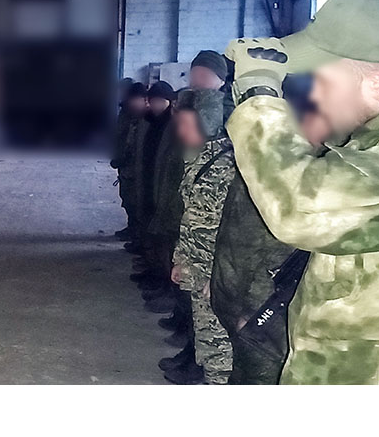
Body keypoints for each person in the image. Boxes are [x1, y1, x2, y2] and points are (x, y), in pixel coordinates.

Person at [224, 0, 379, 384]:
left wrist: (259, 98)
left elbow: (301, 209)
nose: (313, 94)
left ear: (378, 82)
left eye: (322, 81)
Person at [209, 105, 332, 384]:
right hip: (276, 309)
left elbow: (239, 253)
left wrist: (233, 311)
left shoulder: (268, 176)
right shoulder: (328, 172)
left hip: (264, 310)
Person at [163, 89, 236, 384]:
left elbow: (236, 233)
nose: (180, 131)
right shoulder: (198, 157)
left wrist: (220, 277)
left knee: (221, 354)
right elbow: (191, 217)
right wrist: (181, 259)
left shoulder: (228, 166)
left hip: (215, 276)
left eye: (187, 124)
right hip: (197, 269)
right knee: (206, 345)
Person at [133, 82, 184, 318]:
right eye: (151, 101)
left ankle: (169, 290)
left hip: (166, 196)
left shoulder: (174, 129)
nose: (154, 105)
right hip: (150, 187)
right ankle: (157, 278)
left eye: (159, 101)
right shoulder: (151, 123)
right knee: (153, 238)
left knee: (168, 247)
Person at [110, 81, 148, 241]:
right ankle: (132, 228)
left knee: (138, 201)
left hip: (138, 167)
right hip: (126, 164)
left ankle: (139, 235)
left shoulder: (147, 118)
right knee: (127, 198)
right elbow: (120, 137)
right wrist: (117, 156)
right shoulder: (126, 113)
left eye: (137, 99)